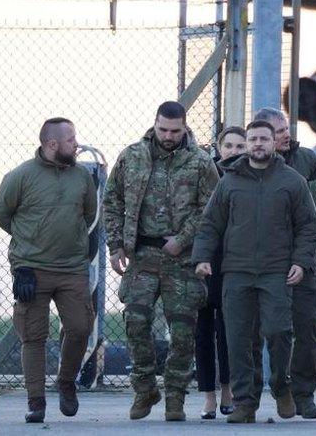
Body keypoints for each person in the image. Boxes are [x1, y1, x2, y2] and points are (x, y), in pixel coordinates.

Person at [192, 119, 316, 423]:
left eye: (264, 138)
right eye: (253, 139)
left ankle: (281, 386)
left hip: (277, 272)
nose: (258, 144)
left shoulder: (292, 181)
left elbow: (307, 226)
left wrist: (300, 262)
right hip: (237, 272)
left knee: (278, 332)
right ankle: (245, 403)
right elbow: (211, 223)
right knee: (238, 340)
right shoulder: (229, 181)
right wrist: (202, 258)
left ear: (275, 142)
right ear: (247, 144)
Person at [102, 101, 219, 422]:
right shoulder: (132, 157)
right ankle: (144, 388)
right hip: (141, 256)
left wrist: (182, 240)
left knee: (182, 331)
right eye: (163, 129)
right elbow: (112, 200)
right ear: (154, 124)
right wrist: (115, 245)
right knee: (136, 322)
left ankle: (175, 398)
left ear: (185, 128)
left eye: (175, 131)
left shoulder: (199, 163)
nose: (168, 136)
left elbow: (212, 210)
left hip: (181, 260)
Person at [0, 118, 97, 423]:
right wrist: (28, 245)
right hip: (31, 270)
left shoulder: (81, 177)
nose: (76, 144)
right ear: (52, 144)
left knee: (80, 327)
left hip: (72, 268)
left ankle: (66, 382)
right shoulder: (21, 176)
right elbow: (0, 214)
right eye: (70, 140)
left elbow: (89, 213)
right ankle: (35, 401)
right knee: (33, 336)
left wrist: (75, 245)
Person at [251, 107, 316, 419]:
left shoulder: (307, 159)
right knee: (267, 332)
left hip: (305, 260)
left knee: (307, 330)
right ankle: (268, 389)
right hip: (265, 262)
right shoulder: (252, 166)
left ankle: (304, 395)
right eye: (279, 130)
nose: (286, 134)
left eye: (286, 128)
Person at [194, 126, 245, 419]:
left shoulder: (250, 177)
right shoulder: (205, 176)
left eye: (240, 146)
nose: (234, 151)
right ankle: (208, 396)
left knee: (229, 332)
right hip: (204, 260)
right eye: (229, 145)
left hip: (236, 264)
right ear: (218, 147)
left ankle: (228, 390)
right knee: (203, 332)